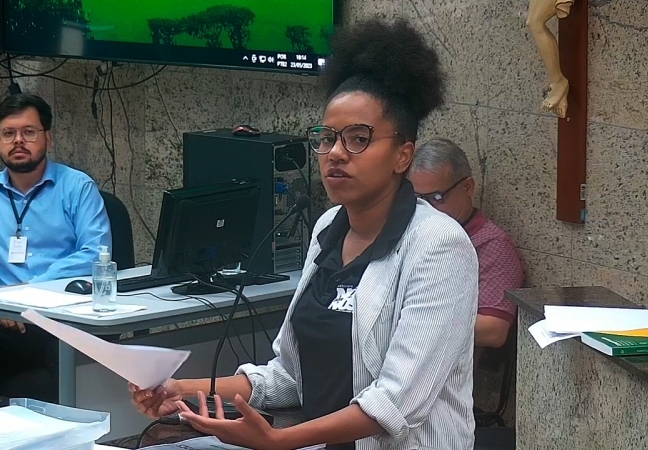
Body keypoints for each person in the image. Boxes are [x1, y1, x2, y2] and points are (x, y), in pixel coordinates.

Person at [130, 19, 479, 450]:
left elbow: (395, 402)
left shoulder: (438, 246)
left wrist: (279, 440)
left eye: (358, 139)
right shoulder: (328, 228)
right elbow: (288, 378)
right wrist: (180, 389)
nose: (335, 153)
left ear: (402, 155)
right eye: (326, 138)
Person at [0, 94, 112, 414]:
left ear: (48, 137)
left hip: (66, 318)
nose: (18, 141)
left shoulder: (77, 187)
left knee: (59, 361)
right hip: (10, 323)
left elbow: (96, 253)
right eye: (8, 133)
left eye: (29, 132)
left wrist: (29, 292)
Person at [408, 138, 524, 361]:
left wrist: (409, 321)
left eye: (436, 198)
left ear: (467, 187)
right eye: (417, 200)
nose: (426, 210)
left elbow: (493, 330)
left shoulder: (491, 245)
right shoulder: (410, 230)